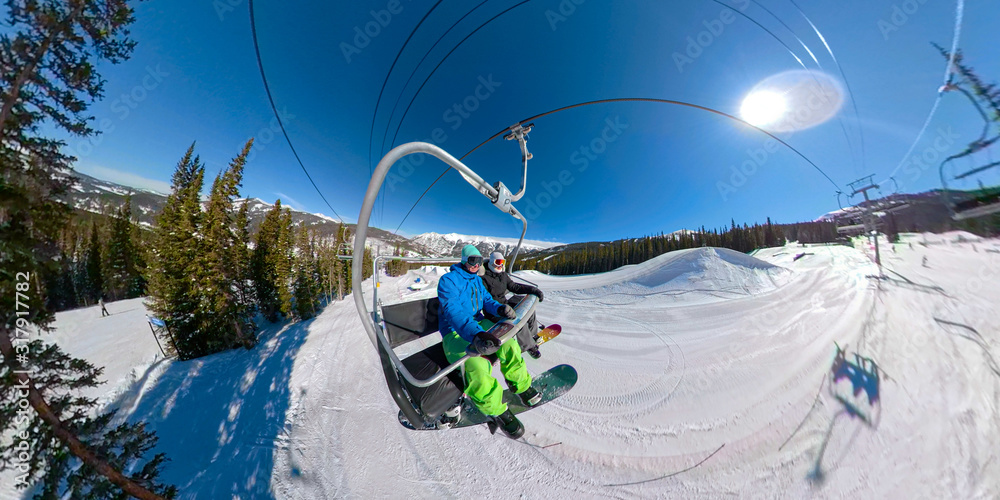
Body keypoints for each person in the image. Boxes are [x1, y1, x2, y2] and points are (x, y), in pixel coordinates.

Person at [437, 245, 540, 438]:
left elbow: (487, 301)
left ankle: (520, 384)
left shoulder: (477, 280)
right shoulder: (448, 281)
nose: (476, 265)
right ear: (463, 260)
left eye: (479, 261)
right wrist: (476, 335)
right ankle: (496, 410)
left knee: (509, 343)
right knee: (475, 364)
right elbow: (453, 311)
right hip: (455, 332)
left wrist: (500, 309)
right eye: (472, 261)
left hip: (479, 324)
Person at [481, 251, 545, 358]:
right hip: (494, 310)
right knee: (518, 319)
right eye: (498, 262)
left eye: (502, 262)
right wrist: (500, 309)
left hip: (505, 304)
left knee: (527, 309)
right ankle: (528, 346)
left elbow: (514, 287)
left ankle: (532, 335)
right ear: (491, 262)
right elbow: (486, 301)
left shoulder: (502, 274)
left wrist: (533, 290)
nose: (500, 265)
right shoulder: (483, 278)